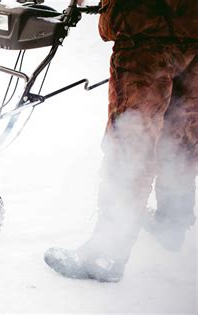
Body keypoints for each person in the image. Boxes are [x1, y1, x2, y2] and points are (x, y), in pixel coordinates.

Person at [44, 0, 198, 282]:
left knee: (132, 138)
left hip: (146, 26)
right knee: (183, 131)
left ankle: (106, 253)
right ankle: (172, 222)